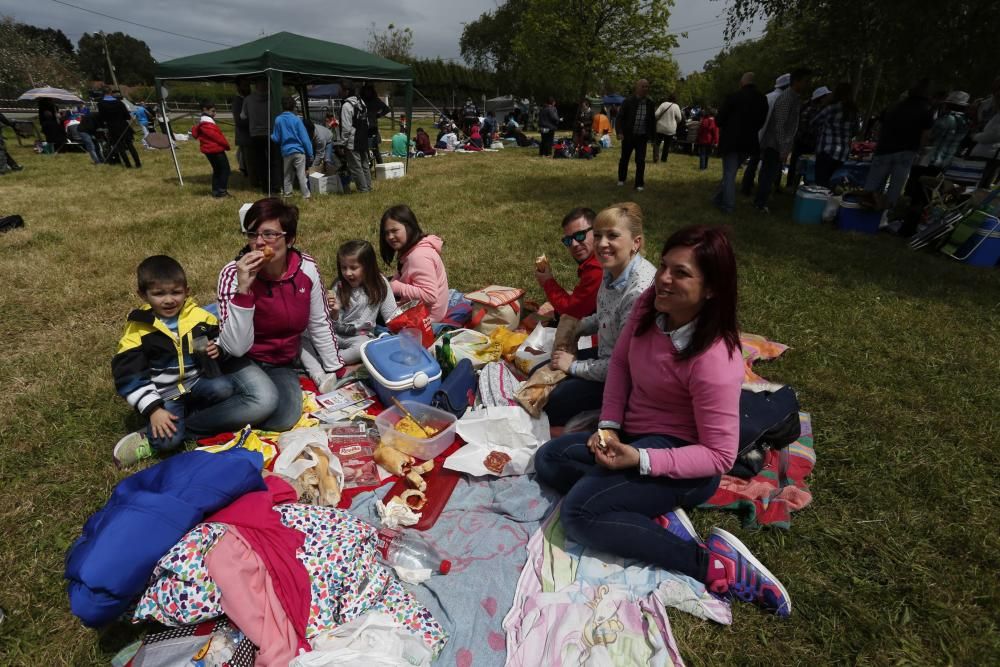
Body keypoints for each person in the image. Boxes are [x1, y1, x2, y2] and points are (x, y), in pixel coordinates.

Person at [533, 225, 791, 618]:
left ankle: (708, 561)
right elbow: (619, 363)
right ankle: (642, 512)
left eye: (681, 273)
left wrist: (638, 460)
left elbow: (719, 457)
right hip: (636, 437)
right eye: (665, 267)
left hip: (683, 460)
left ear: (711, 289)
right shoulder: (652, 303)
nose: (664, 279)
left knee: (580, 514)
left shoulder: (715, 359)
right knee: (550, 459)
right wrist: (609, 427)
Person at [217, 198, 344, 431]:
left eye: (269, 235)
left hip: (281, 361)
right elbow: (234, 347)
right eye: (252, 234)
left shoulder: (306, 268)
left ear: (290, 239)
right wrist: (244, 290)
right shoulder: (233, 273)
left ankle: (234, 399)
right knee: (264, 401)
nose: (258, 242)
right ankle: (190, 421)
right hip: (242, 358)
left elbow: (319, 322)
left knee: (284, 418)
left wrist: (336, 368)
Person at [111, 256, 239, 468]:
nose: (169, 300)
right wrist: (154, 409)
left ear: (187, 291)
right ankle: (150, 435)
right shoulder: (139, 330)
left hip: (194, 382)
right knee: (168, 441)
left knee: (225, 387)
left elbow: (218, 336)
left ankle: (186, 417)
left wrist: (217, 347)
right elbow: (129, 376)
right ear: (143, 295)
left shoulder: (199, 317)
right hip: (163, 394)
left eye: (175, 292)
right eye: (159, 294)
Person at [543, 202, 656, 428]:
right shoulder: (611, 269)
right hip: (607, 357)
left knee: (550, 402)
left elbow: (623, 365)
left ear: (636, 242)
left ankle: (609, 417)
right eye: (598, 236)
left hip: (626, 380)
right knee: (545, 370)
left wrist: (573, 366)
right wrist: (578, 328)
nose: (602, 244)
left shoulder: (639, 293)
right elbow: (606, 314)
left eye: (612, 236)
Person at [318, 240, 399, 367]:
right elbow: (330, 323)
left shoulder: (379, 284)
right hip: (335, 334)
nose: (347, 273)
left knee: (363, 348)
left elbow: (391, 315)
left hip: (360, 338)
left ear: (368, 267)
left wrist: (402, 333)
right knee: (307, 333)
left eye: (353, 268)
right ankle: (323, 357)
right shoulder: (339, 286)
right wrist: (334, 311)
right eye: (344, 268)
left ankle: (323, 361)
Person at [864, 80, 934, 208]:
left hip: (884, 149)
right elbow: (926, 134)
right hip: (906, 151)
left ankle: (865, 207)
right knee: (896, 186)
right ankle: (886, 212)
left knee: (874, 182)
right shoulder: (927, 110)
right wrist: (920, 149)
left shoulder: (894, 106)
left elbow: (878, 126)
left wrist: (879, 140)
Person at [755, 68, 811, 213]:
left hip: (779, 143)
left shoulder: (793, 97)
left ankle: (762, 200)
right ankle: (760, 203)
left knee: (771, 174)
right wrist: (783, 148)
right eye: (805, 81)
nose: (807, 84)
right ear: (797, 81)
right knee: (769, 175)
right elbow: (779, 125)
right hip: (775, 144)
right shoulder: (787, 98)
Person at [380, 204, 449, 323]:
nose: (390, 237)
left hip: (427, 318)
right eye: (386, 233)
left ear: (409, 227)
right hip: (423, 310)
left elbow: (429, 295)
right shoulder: (412, 249)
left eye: (394, 231)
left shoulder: (418, 257)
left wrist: (396, 287)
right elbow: (404, 273)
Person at [712, 72, 769, 214]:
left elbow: (719, 120)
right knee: (731, 173)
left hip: (732, 141)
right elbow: (762, 121)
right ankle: (717, 199)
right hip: (749, 142)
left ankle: (728, 206)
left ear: (742, 83)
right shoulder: (762, 99)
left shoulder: (733, 97)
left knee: (729, 174)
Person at [534, 207, 603, 321]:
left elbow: (571, 312)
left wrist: (547, 282)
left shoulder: (597, 268)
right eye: (568, 240)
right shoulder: (600, 258)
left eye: (580, 235)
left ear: (597, 231)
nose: (574, 244)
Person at [742, 73, 788, 196]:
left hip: (759, 134)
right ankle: (767, 189)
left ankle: (747, 186)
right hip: (770, 137)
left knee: (754, 162)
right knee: (770, 166)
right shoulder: (782, 99)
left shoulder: (767, 96)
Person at [811, 83, 859, 187]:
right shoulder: (853, 111)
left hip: (827, 150)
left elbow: (814, 122)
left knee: (820, 184)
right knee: (832, 184)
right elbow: (855, 130)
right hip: (842, 154)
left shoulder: (831, 108)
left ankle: (819, 202)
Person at [786, 86, 831, 188]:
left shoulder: (815, 108)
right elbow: (807, 127)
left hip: (808, 142)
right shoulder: (811, 109)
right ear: (821, 98)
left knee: (804, 165)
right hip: (804, 142)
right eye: (826, 96)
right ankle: (791, 185)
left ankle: (798, 185)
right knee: (798, 165)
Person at [270, 97, 313, 200]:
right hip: (299, 151)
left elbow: (276, 138)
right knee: (301, 175)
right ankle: (306, 196)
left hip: (286, 151)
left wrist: (271, 135)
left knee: (287, 175)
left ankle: (288, 194)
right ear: (294, 107)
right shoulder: (297, 120)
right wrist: (310, 153)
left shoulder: (278, 119)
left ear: (282, 106)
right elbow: (305, 138)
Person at [617, 79, 655, 191]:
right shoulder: (628, 102)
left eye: (647, 87)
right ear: (637, 88)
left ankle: (639, 184)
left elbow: (652, 121)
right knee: (624, 158)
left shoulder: (650, 103)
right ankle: (621, 179)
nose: (645, 89)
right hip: (629, 135)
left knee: (640, 160)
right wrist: (619, 132)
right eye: (643, 86)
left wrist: (653, 138)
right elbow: (620, 118)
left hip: (642, 137)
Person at [190, 101, 232, 198]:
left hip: (209, 150)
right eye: (213, 111)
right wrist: (226, 145)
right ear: (205, 110)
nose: (215, 113)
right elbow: (217, 137)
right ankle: (222, 191)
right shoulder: (207, 124)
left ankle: (216, 191)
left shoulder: (203, 122)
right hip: (215, 150)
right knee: (225, 170)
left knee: (217, 170)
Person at [339, 82, 372, 193]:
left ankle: (363, 190)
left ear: (347, 91)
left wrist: (342, 143)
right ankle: (368, 187)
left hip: (353, 141)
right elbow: (367, 122)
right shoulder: (361, 102)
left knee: (356, 167)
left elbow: (346, 128)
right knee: (365, 165)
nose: (340, 92)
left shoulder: (347, 106)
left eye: (342, 90)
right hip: (363, 139)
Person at [241, 80, 271, 191]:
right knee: (273, 161)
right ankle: (275, 184)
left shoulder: (248, 99)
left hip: (256, 134)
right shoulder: (272, 98)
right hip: (270, 132)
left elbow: (243, 116)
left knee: (261, 161)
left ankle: (265, 186)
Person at [99, 90, 140, 168]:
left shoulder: (100, 104)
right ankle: (138, 163)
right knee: (130, 145)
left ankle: (128, 165)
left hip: (112, 127)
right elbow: (127, 116)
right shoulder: (119, 102)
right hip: (123, 126)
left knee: (120, 147)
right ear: (111, 94)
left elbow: (102, 118)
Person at [362, 83, 390, 166]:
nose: (368, 92)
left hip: (372, 127)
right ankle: (368, 165)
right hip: (363, 126)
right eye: (366, 90)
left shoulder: (375, 100)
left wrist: (378, 115)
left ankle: (380, 165)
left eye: (369, 91)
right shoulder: (362, 100)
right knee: (365, 148)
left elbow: (386, 109)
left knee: (375, 148)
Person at [653, 93, 684, 164]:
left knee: (657, 143)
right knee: (667, 144)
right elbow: (679, 118)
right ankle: (664, 159)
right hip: (670, 128)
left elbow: (656, 114)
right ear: (675, 99)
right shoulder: (676, 106)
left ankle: (656, 157)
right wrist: (675, 122)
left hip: (660, 127)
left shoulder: (663, 104)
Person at [231, 79, 252, 176]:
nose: (247, 88)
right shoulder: (238, 101)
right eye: (244, 85)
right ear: (239, 87)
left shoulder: (248, 98)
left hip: (251, 134)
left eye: (248, 85)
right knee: (247, 159)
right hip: (244, 136)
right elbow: (239, 121)